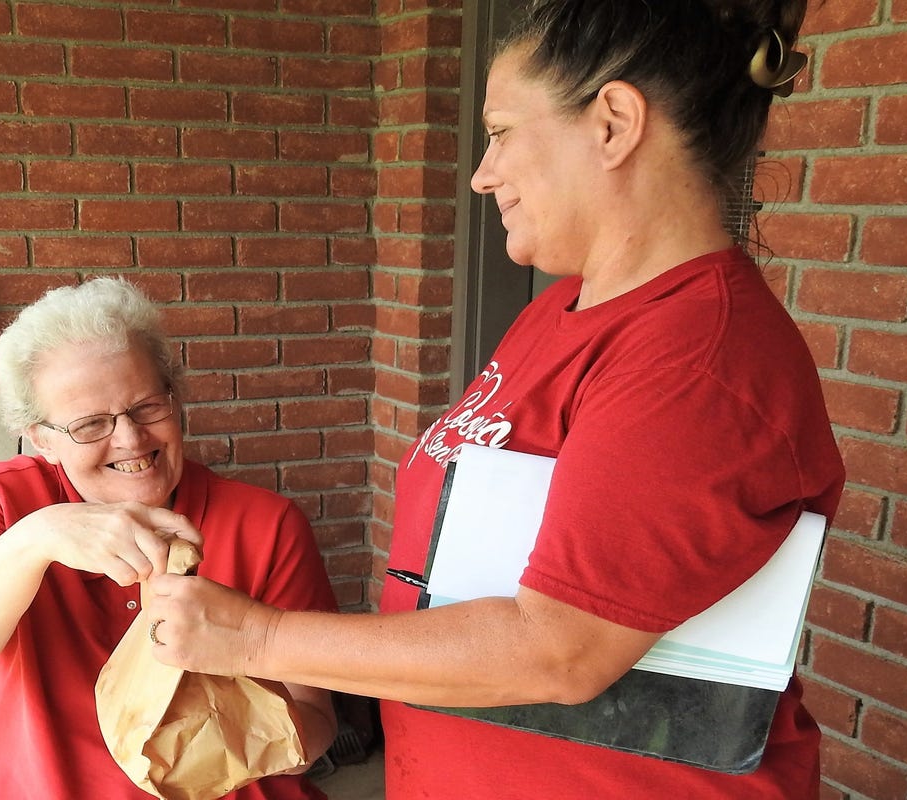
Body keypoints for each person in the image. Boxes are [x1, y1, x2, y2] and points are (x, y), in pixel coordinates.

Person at [144, 0, 845, 797]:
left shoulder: (697, 358)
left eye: (502, 131)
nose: (482, 173)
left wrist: (258, 640)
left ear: (614, 123)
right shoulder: (563, 311)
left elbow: (560, 648)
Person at [0, 277, 338, 799]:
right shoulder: (4, 502)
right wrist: (36, 539)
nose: (131, 440)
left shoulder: (266, 523)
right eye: (91, 424)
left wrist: (235, 700)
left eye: (147, 407)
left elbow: (317, 722)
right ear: (42, 441)